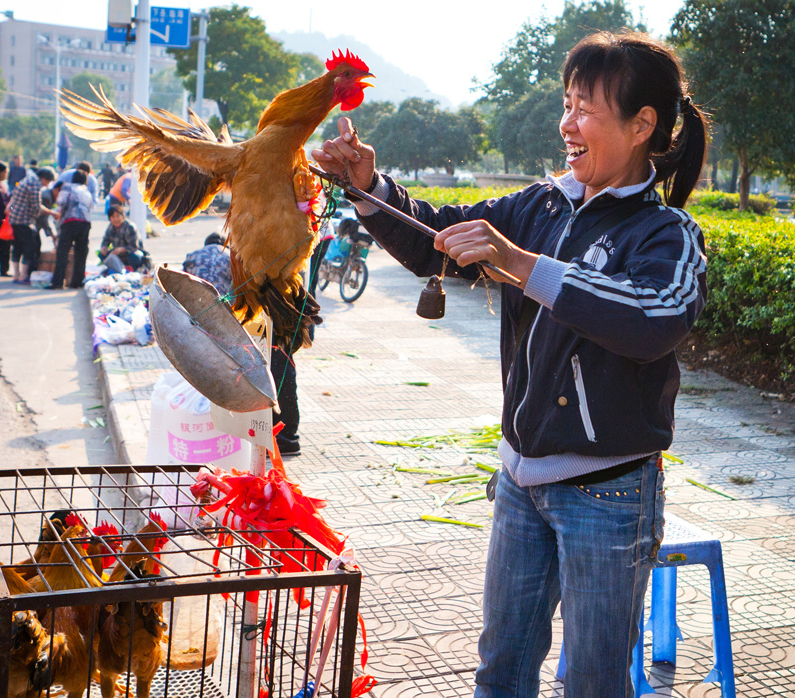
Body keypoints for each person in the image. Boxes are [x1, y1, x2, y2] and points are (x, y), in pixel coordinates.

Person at [313, 30, 708, 697]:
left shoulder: (665, 234)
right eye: (567, 103)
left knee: (588, 682)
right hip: (520, 486)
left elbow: (653, 319)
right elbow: (440, 238)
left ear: (643, 125)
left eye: (586, 107)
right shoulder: (539, 205)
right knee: (502, 668)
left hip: (608, 497)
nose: (567, 123)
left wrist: (521, 263)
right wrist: (369, 186)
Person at [182, 232, 301, 455]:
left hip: (267, 324)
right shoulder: (243, 258)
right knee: (278, 377)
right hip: (269, 325)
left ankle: (281, 439)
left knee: (273, 377)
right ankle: (284, 438)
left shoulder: (263, 260)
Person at [7, 167, 56, 283]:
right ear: (43, 178)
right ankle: (23, 276)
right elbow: (36, 206)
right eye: (48, 182)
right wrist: (52, 212)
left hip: (15, 219)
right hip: (24, 220)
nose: (46, 185)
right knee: (29, 247)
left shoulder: (28, 179)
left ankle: (16, 275)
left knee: (17, 247)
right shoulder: (35, 184)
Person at [48, 170, 94, 290]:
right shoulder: (87, 191)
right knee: (81, 253)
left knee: (62, 252)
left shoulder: (67, 187)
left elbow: (61, 203)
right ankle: (77, 282)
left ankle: (58, 282)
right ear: (85, 181)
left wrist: (58, 215)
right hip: (85, 223)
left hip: (70, 222)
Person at [98, 204, 146, 273]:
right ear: (110, 218)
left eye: (118, 216)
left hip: (132, 254)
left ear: (122, 216)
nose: (116, 219)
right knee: (102, 254)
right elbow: (105, 241)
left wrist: (122, 249)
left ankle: (135, 271)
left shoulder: (130, 226)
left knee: (134, 256)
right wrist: (104, 248)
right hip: (118, 255)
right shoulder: (110, 227)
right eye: (113, 217)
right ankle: (117, 270)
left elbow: (134, 246)